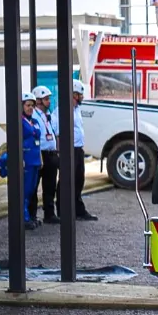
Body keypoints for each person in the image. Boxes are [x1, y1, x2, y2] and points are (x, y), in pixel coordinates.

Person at [53, 79, 98, 221]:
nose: (82, 98)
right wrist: (60, 152)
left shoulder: (77, 110)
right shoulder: (61, 110)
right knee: (66, 181)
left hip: (78, 149)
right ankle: (62, 211)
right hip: (68, 150)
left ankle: (78, 210)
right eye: (79, 95)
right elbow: (58, 132)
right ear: (73, 94)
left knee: (79, 180)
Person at [30, 85, 60, 224]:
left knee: (50, 186)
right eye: (46, 99)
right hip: (40, 154)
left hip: (51, 154)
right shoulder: (34, 115)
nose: (49, 102)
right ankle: (32, 215)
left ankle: (49, 214)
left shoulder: (47, 116)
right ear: (38, 101)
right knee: (34, 185)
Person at [21, 92, 42, 231]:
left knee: (32, 190)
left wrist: (40, 158)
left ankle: (29, 216)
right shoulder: (19, 121)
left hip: (35, 160)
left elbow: (38, 141)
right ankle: (24, 218)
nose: (30, 108)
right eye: (28, 105)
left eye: (32, 105)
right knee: (25, 189)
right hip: (26, 160)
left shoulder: (34, 121)